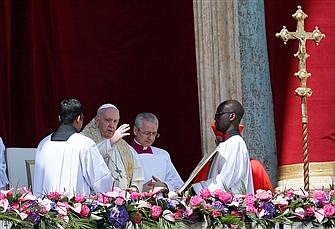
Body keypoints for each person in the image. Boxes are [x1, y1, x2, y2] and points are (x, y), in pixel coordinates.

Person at [33, 99, 114, 197]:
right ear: (78, 118)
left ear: (59, 118)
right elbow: (102, 182)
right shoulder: (84, 144)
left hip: (45, 209)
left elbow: (38, 181)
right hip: (74, 210)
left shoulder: (43, 143)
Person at [180, 100, 254, 195]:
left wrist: (193, 190)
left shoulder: (235, 143)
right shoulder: (227, 143)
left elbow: (225, 180)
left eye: (219, 115)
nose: (215, 120)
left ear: (232, 116)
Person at [81, 103, 144, 192]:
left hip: (122, 200)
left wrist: (135, 188)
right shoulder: (84, 140)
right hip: (97, 198)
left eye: (115, 121)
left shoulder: (124, 146)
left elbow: (137, 173)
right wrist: (110, 142)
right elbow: (89, 158)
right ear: (97, 121)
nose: (112, 125)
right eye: (108, 120)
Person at [129, 112, 184, 193]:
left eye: (154, 133)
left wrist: (164, 185)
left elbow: (178, 183)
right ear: (135, 130)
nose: (150, 138)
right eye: (147, 133)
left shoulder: (162, 155)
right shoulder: (125, 153)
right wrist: (140, 190)